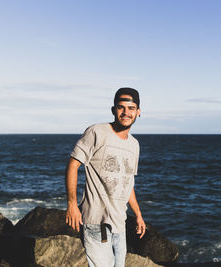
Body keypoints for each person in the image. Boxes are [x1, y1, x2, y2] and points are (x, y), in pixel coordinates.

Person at [65, 87, 146, 267]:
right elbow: (73, 164)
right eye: (121, 107)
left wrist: (138, 215)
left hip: (120, 223)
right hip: (96, 221)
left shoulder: (134, 145)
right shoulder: (97, 132)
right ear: (113, 110)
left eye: (131, 108)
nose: (126, 112)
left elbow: (127, 183)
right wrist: (72, 204)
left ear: (138, 112)